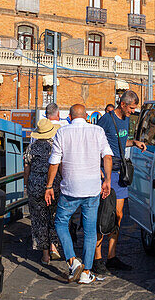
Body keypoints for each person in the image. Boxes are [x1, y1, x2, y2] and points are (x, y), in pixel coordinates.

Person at [44, 104, 112, 285]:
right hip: (92, 189)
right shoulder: (97, 131)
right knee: (90, 232)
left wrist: (49, 186)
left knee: (60, 222)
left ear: (70, 117)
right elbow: (107, 156)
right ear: (87, 116)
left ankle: (73, 261)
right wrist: (107, 181)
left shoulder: (63, 133)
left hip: (70, 189)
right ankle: (87, 272)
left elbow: (54, 162)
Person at [94, 90, 146, 274]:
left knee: (118, 216)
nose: (133, 111)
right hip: (106, 173)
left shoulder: (126, 119)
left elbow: (121, 142)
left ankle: (112, 256)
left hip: (120, 172)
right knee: (103, 215)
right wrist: (99, 170)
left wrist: (135, 142)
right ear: (123, 105)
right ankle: (97, 258)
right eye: (132, 108)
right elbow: (95, 145)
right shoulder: (106, 120)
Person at [24, 115, 62, 264]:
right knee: (53, 215)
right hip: (52, 185)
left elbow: (27, 167)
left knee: (39, 219)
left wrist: (27, 184)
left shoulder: (31, 147)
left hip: (35, 186)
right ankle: (54, 246)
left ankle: (45, 255)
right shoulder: (55, 146)